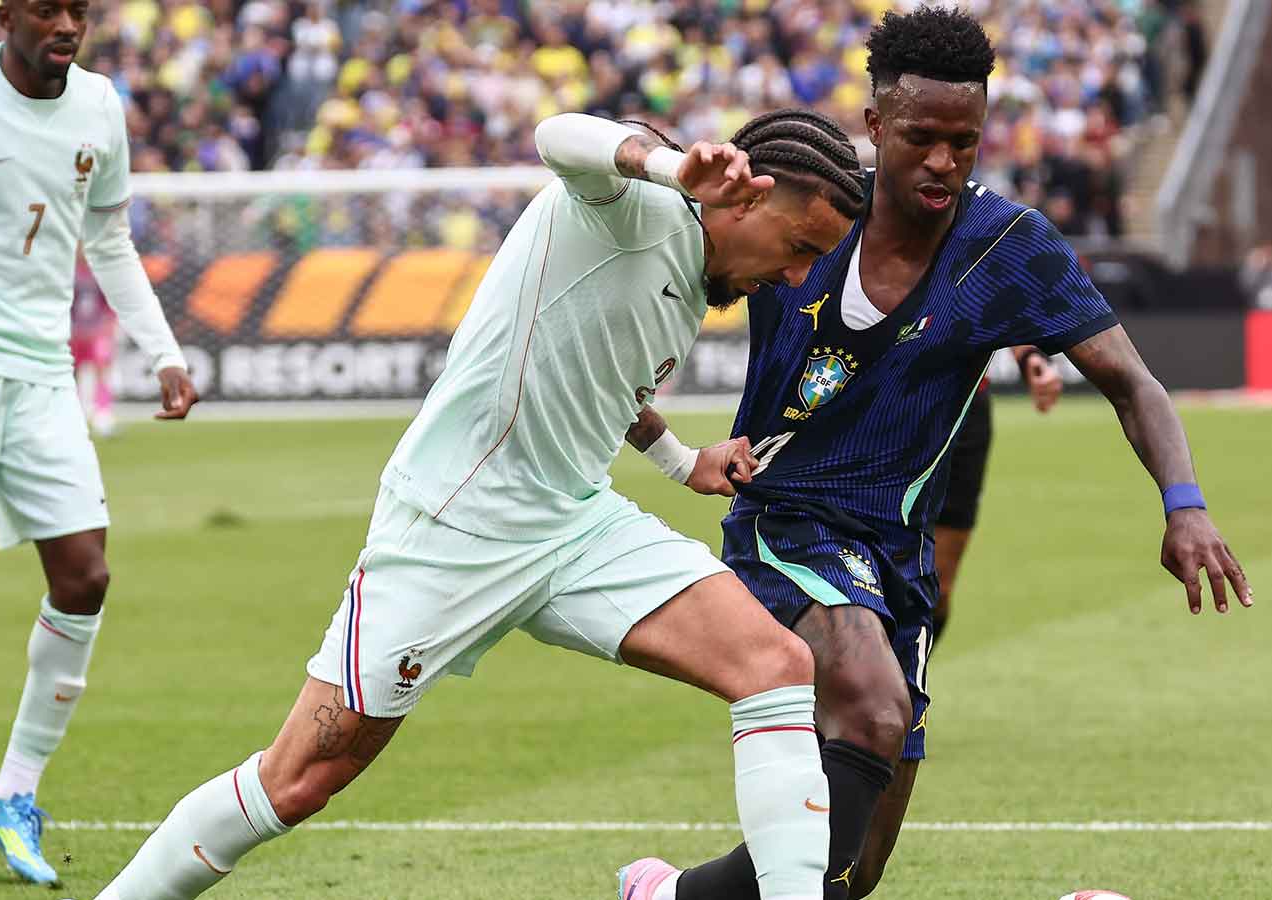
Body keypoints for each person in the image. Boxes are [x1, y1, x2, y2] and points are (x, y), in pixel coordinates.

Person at [94, 108, 869, 900]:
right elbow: (558, 134)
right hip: (452, 526)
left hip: (573, 526)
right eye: (800, 247)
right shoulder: (635, 207)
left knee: (776, 665)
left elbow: (614, 387)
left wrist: (680, 462)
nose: (800, 275)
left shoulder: (692, 282)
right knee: (295, 782)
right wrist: (671, 168)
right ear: (741, 201)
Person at [621, 9, 1252, 900]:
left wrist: (1183, 502)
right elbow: (619, 342)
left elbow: (1133, 383)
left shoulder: (1010, 247)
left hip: (897, 559)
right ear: (877, 125)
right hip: (784, 526)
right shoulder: (803, 216)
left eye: (966, 141)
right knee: (873, 710)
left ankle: (669, 895)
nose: (945, 163)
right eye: (922, 138)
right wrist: (676, 455)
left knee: (855, 873)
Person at [0, 0, 200, 885]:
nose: (67, 24)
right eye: (47, 9)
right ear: (6, 16)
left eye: (78, 11)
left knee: (85, 576)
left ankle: (12, 794)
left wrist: (162, 353)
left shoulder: (99, 106)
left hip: (44, 376)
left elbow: (109, 236)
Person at [930, 348, 1063, 645]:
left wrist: (1030, 355)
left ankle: (906, 684)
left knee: (937, 586)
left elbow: (1001, 301)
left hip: (966, 408)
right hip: (887, 400)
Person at [70, 255, 120, 436]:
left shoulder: (100, 274)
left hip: (96, 332)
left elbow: (109, 305)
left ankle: (103, 413)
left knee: (102, 369)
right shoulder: (68, 272)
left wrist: (108, 327)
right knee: (69, 373)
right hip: (72, 333)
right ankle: (72, 414)